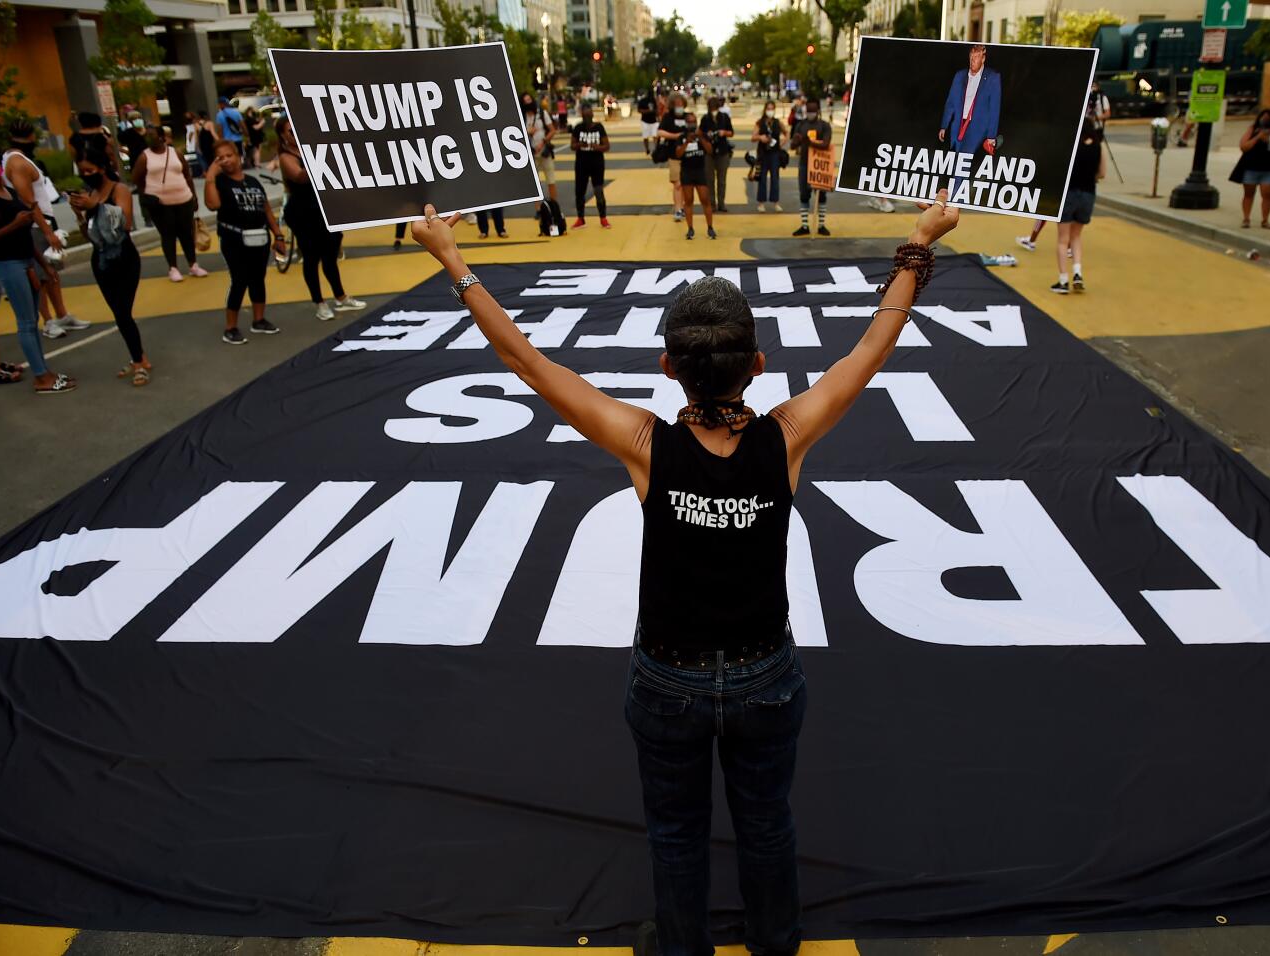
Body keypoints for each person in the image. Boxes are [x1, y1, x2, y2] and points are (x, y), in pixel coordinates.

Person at [407, 187, 958, 956]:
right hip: (768, 676)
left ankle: (683, 946)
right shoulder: (788, 435)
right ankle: (776, 939)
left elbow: (524, 360)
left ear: (669, 368)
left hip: (667, 681)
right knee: (768, 822)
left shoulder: (644, 443)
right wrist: (919, 241)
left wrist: (453, 258)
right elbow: (871, 350)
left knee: (675, 832)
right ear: (758, 365)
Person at [0, 162, 75, 393]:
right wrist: (15, 223)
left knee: (32, 321)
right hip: (9, 263)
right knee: (26, 323)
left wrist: (43, 264)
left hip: (27, 260)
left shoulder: (9, 191)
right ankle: (41, 378)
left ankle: (44, 371)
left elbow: (25, 234)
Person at [69, 152, 150, 385]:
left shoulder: (119, 190)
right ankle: (140, 357)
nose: (86, 176)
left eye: (89, 170)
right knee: (119, 314)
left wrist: (96, 205)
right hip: (102, 260)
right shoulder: (90, 194)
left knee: (124, 313)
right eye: (82, 172)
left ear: (102, 168)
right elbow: (90, 236)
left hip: (124, 258)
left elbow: (124, 224)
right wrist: (80, 215)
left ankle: (138, 361)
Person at [3, 120, 86, 339]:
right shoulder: (18, 163)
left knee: (52, 271)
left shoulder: (16, 159)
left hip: (42, 221)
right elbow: (28, 200)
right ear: (30, 137)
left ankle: (61, 314)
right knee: (40, 276)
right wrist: (47, 231)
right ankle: (48, 321)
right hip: (34, 225)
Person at [276, 118, 365, 320]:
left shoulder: (311, 149)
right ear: (282, 135)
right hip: (302, 212)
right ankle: (320, 303)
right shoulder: (286, 157)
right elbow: (299, 176)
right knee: (311, 257)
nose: (295, 134)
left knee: (330, 255)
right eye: (290, 131)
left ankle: (340, 297)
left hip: (323, 210)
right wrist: (324, 160)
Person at [204, 139, 287, 345]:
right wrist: (210, 177)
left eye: (229, 155)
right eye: (220, 158)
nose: (226, 161)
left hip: (259, 238)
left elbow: (266, 209)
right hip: (234, 239)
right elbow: (212, 204)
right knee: (239, 280)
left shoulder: (253, 181)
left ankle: (258, 320)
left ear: (238, 156)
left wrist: (278, 235)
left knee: (258, 278)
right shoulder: (220, 182)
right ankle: (230, 327)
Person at [133, 124, 206, 281]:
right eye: (147, 135)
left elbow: (187, 175)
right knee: (168, 235)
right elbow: (136, 178)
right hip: (160, 203)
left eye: (152, 135)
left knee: (187, 233)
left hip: (183, 199)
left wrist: (194, 197)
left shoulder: (175, 153)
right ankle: (173, 268)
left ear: (162, 137)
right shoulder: (144, 157)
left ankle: (193, 265)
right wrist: (147, 194)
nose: (149, 138)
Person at [1051, 127, 1105, 295]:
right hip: (1088, 194)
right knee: (1076, 237)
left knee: (1062, 240)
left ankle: (1063, 280)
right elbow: (1102, 173)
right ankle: (1077, 273)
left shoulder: (1071, 144)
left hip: (1069, 192)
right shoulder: (1098, 146)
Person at [938, 43, 1001, 181]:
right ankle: (955, 194)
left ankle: (955, 194)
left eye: (976, 57)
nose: (973, 61)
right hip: (958, 126)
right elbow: (951, 102)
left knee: (963, 160)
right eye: (971, 57)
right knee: (955, 162)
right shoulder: (960, 76)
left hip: (977, 127)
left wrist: (991, 136)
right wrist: (944, 125)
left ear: (983, 59)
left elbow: (994, 107)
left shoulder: (992, 77)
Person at [1230, 109, 1270, 229]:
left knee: (1267, 194)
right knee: (1248, 194)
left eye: (1268, 119)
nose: (1266, 122)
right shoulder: (1252, 129)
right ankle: (1246, 218)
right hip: (1251, 167)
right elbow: (1244, 147)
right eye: (1263, 118)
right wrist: (1258, 136)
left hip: (1269, 168)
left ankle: (1265, 220)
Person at [790, 98, 832, 237]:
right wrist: (796, 142)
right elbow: (793, 145)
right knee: (804, 194)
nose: (811, 113)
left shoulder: (824, 126)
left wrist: (810, 142)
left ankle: (820, 225)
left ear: (818, 111)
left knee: (821, 195)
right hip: (804, 163)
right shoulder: (801, 125)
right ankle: (805, 225)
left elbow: (826, 143)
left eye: (813, 111)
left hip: (820, 165)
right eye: (809, 111)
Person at [675, 103, 715, 240]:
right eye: (689, 122)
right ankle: (690, 228)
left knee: (705, 199)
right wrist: (687, 142)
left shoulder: (702, 135)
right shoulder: (681, 136)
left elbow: (710, 150)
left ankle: (710, 227)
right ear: (686, 123)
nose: (691, 124)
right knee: (689, 200)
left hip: (700, 170)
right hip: (686, 171)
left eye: (694, 122)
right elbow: (678, 154)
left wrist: (701, 138)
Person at [570, 102, 611, 229]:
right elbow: (572, 145)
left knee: (598, 190)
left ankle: (603, 218)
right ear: (582, 114)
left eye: (589, 113)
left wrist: (597, 147)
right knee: (579, 191)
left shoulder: (599, 127)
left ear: (592, 114)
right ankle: (580, 218)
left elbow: (607, 146)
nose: (587, 116)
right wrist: (579, 145)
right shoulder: (577, 128)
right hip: (582, 163)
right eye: (585, 113)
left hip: (597, 163)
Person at [658, 93, 693, 223]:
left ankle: (683, 206)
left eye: (681, 104)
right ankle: (678, 209)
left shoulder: (688, 116)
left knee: (685, 184)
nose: (679, 106)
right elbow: (660, 132)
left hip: (688, 154)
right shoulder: (668, 117)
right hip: (673, 155)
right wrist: (676, 136)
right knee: (677, 183)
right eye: (677, 104)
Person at [701, 96, 735, 213]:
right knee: (709, 180)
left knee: (722, 180)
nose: (713, 109)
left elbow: (731, 133)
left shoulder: (724, 118)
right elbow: (700, 134)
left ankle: (721, 203)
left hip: (722, 150)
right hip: (709, 152)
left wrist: (724, 132)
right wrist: (707, 136)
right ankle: (712, 203)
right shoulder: (705, 119)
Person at [751, 101, 785, 213]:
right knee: (762, 178)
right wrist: (760, 137)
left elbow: (787, 133)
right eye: (768, 108)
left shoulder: (777, 122)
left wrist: (782, 143)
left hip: (775, 154)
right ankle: (761, 203)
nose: (770, 111)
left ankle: (776, 202)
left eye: (772, 109)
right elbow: (753, 137)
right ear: (765, 110)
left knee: (775, 178)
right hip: (763, 154)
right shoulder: (760, 123)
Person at [525, 96, 559, 203]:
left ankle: (554, 206)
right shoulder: (522, 117)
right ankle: (538, 209)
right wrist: (527, 132)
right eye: (525, 101)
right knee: (535, 183)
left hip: (544, 151)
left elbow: (552, 130)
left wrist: (543, 142)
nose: (528, 103)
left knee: (550, 179)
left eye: (529, 100)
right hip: (531, 152)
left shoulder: (542, 114)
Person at [69, 111, 121, 180]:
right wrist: (115, 167)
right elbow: (110, 154)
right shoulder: (101, 137)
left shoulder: (74, 137)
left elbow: (74, 154)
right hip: (103, 170)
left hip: (85, 171)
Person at [196, 111, 218, 178]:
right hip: (209, 144)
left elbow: (197, 137)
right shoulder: (209, 123)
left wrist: (197, 147)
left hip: (202, 145)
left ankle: (209, 172)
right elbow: (213, 133)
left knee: (206, 159)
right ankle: (214, 172)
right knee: (211, 158)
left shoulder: (196, 124)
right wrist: (219, 140)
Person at [638, 90, 659, 155]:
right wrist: (647, 111)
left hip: (654, 121)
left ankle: (656, 149)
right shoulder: (643, 101)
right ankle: (647, 149)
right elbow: (639, 110)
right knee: (645, 136)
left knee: (655, 136)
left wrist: (655, 113)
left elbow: (657, 110)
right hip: (645, 121)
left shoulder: (654, 100)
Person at [183, 111, 202, 176]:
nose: (186, 116)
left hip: (192, 140)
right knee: (193, 156)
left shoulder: (194, 122)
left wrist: (190, 140)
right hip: (190, 139)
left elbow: (192, 132)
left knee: (194, 155)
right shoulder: (188, 123)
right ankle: (195, 170)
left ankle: (197, 171)